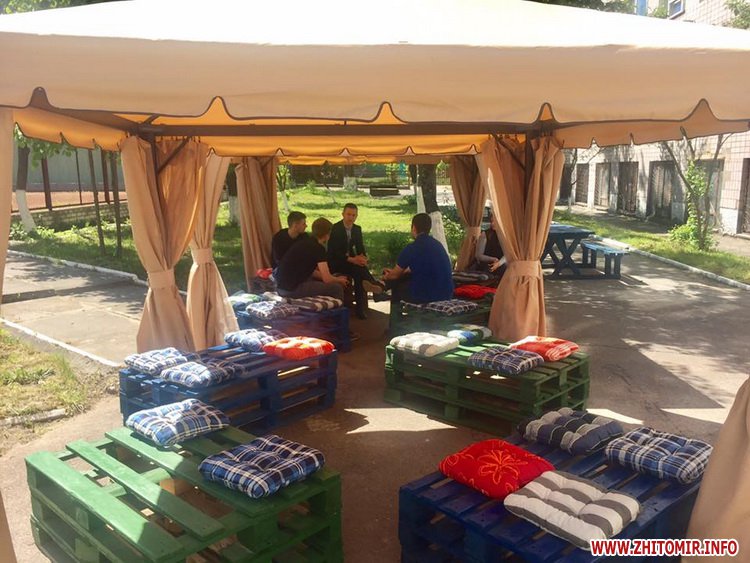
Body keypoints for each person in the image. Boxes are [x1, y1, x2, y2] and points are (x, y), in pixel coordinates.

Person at [327, 202, 384, 319]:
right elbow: (335, 252)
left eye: (353, 215)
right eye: (348, 214)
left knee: (359, 271)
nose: (351, 218)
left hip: (351, 261)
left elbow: (360, 247)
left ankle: (361, 305)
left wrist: (363, 258)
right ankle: (374, 289)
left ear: (356, 216)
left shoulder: (357, 229)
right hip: (337, 262)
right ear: (343, 214)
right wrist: (352, 259)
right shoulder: (335, 228)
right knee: (358, 270)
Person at [382, 213, 454, 303]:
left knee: (396, 284)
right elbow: (425, 267)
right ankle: (380, 288)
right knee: (405, 277)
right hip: (446, 293)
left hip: (427, 295)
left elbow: (394, 275)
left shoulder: (412, 248)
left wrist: (386, 276)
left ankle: (393, 306)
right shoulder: (437, 245)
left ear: (414, 228)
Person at [275, 217, 348, 299]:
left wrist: (333, 278)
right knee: (336, 288)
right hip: (292, 289)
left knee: (318, 281)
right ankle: (339, 307)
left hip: (280, 287)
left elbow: (311, 271)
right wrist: (339, 280)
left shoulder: (304, 242)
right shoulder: (318, 248)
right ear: (327, 235)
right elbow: (327, 279)